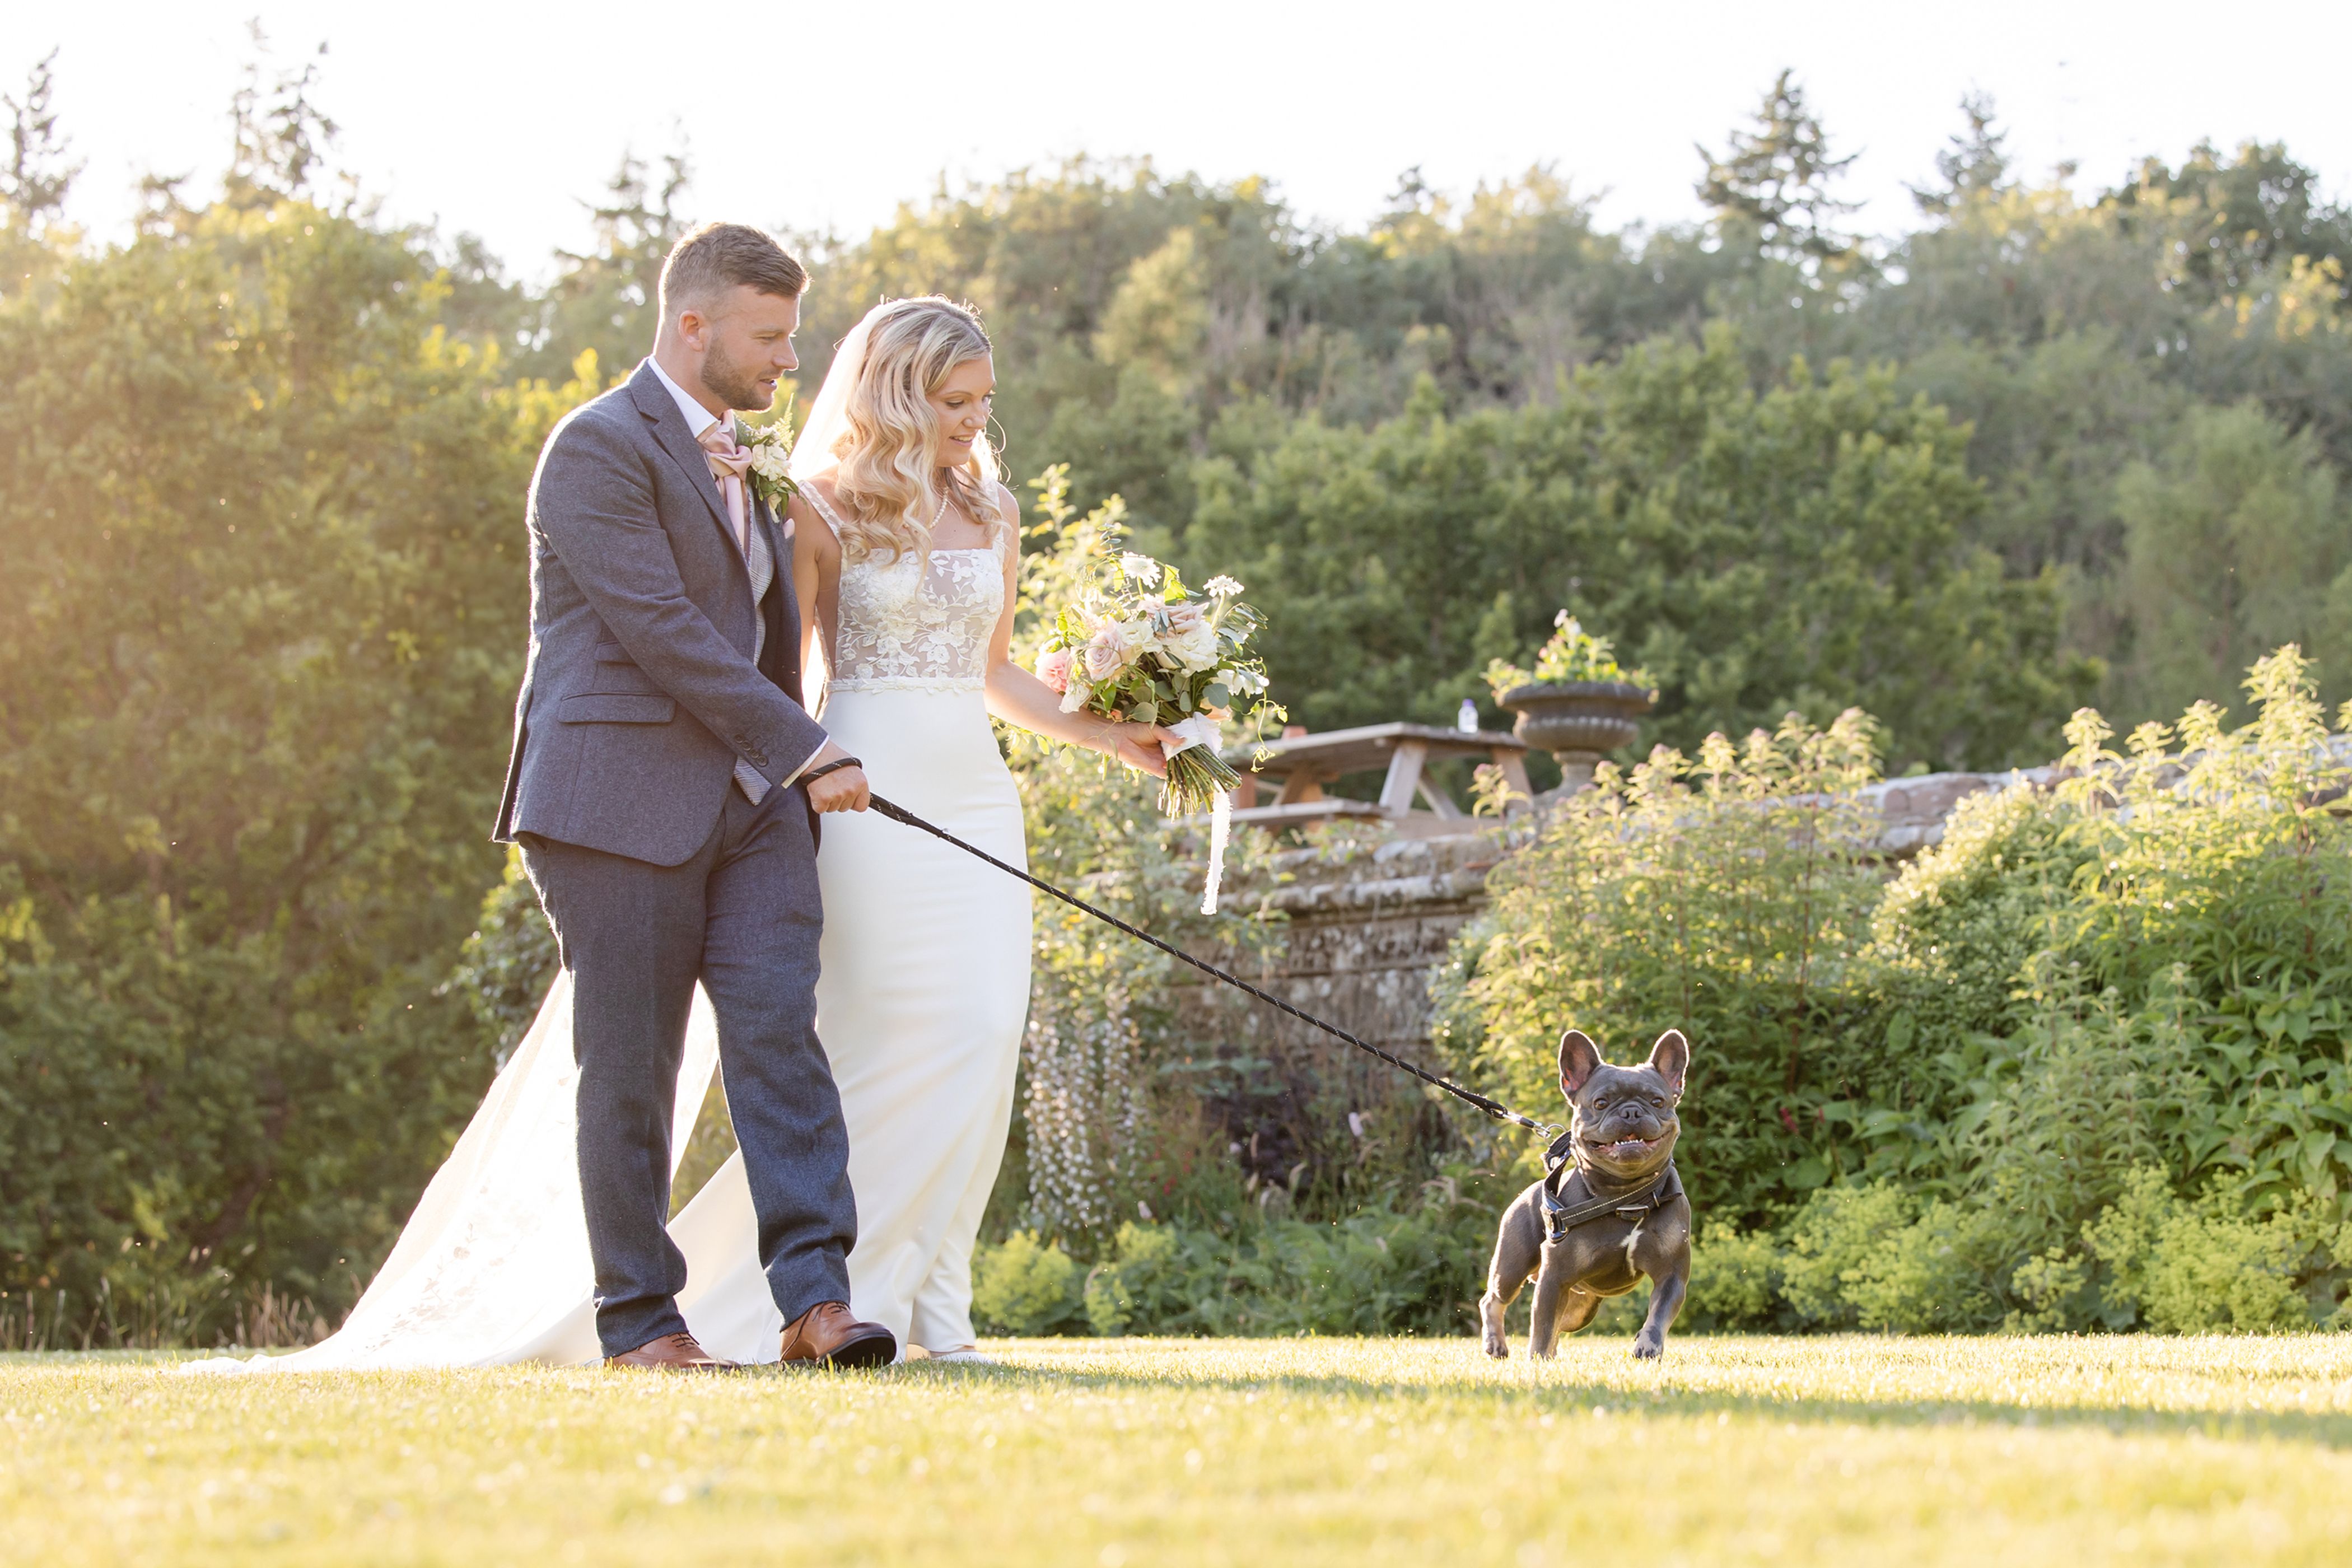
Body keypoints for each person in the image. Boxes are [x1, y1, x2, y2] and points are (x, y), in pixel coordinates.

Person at [659, 295, 1177, 1361]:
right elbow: (783, 684)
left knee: (985, 1039)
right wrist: (789, 791)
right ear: (897, 390)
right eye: (953, 401)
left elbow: (993, 674)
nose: (973, 422)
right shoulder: (814, 508)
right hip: (864, 799)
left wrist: (1109, 734)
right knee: (881, 1045)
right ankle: (842, 1296)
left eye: (984, 401)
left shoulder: (994, 509)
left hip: (979, 798)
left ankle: (943, 1303)